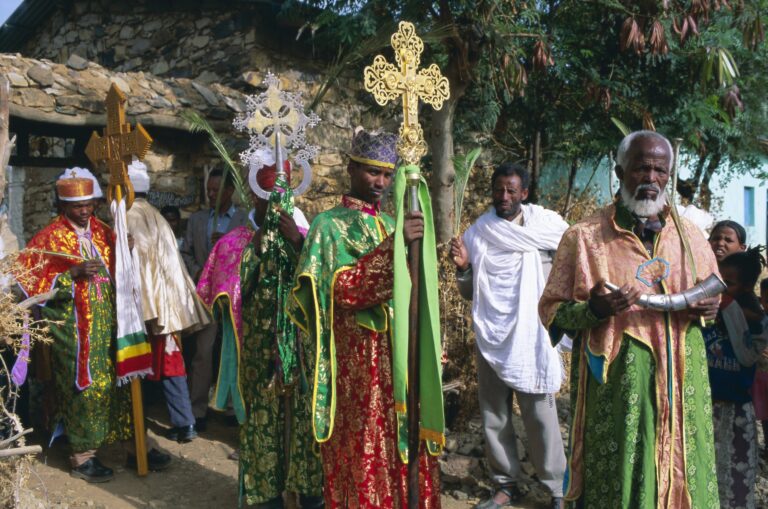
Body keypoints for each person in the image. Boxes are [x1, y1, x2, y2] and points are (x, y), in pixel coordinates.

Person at [539, 130, 721, 508]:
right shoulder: (584, 237)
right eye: (641, 168)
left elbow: (711, 295)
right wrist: (596, 310)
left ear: (668, 176)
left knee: (687, 473)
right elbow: (552, 312)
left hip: (685, 384)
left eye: (659, 171)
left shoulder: (690, 236)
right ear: (620, 171)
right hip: (621, 389)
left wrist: (709, 309)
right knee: (623, 481)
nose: (650, 179)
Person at [287, 128, 440, 508]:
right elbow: (344, 291)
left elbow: (413, 295)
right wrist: (395, 248)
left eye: (388, 175)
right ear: (351, 168)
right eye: (373, 172)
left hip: (401, 361)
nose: (381, 183)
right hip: (359, 370)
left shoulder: (392, 224)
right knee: (365, 452)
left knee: (406, 447)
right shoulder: (328, 227)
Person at [16, 170, 169, 483]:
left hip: (114, 325)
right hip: (75, 333)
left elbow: (121, 272)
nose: (84, 210)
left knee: (123, 383)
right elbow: (29, 283)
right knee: (87, 391)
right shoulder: (49, 238)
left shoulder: (103, 231)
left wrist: (125, 251)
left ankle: (133, 445)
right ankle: (82, 454)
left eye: (89, 204)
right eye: (76, 206)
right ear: (63, 205)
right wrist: (70, 275)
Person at [450, 162, 568, 509]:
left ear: (524, 193)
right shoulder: (479, 233)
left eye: (511, 190)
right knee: (495, 415)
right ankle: (505, 485)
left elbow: (569, 272)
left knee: (541, 417)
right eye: (499, 189)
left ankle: (557, 488)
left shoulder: (548, 229)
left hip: (533, 336)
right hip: (492, 335)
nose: (504, 196)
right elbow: (470, 292)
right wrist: (463, 268)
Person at [125, 159, 211, 443]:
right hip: (170, 304)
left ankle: (182, 422)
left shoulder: (128, 217)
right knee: (172, 362)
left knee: (154, 361)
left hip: (148, 307)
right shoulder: (157, 217)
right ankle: (183, 422)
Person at [182, 169, 248, 429]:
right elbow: (184, 252)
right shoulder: (197, 221)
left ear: (230, 192)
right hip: (206, 295)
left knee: (233, 350)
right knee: (203, 352)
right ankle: (197, 410)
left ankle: (233, 407)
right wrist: (198, 270)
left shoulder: (244, 220)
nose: (210, 195)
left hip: (234, 297)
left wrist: (229, 245)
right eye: (208, 190)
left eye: (215, 191)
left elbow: (252, 251)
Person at [704, 239, 767, 509]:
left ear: (746, 287)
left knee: (735, 476)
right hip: (705, 406)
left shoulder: (754, 320)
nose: (721, 290)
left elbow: (747, 354)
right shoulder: (709, 312)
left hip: (736, 409)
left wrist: (730, 310)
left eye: (728, 283)